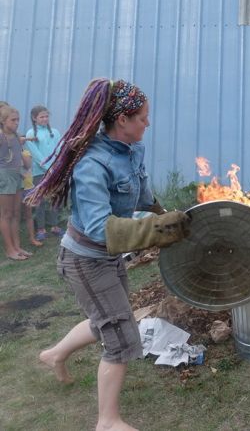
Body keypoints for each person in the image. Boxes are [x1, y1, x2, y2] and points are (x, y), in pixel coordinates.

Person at [27, 78, 190, 431]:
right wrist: (160, 230)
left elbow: (143, 197)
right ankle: (107, 421)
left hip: (107, 258)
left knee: (109, 318)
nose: (148, 123)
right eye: (143, 117)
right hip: (85, 260)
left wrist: (170, 218)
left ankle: (54, 354)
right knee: (121, 336)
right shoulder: (92, 165)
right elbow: (102, 229)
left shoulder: (133, 150)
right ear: (123, 121)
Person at [25, 105, 64, 240]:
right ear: (34, 118)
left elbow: (60, 148)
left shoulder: (55, 132)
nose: (44, 119)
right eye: (41, 116)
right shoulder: (31, 134)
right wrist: (48, 167)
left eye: (46, 116)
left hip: (55, 171)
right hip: (39, 172)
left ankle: (55, 225)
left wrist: (58, 165)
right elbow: (36, 155)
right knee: (40, 200)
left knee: (55, 198)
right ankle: (41, 228)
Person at [0, 105, 32, 260]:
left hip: (17, 176)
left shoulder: (17, 137)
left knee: (15, 213)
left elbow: (25, 162)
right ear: (3, 120)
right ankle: (9, 249)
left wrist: (26, 162)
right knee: (6, 214)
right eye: (13, 120)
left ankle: (17, 246)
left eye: (18, 120)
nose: (16, 123)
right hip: (4, 177)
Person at [21, 149, 43, 247]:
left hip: (28, 187)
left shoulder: (25, 152)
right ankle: (14, 243)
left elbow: (28, 165)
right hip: (15, 188)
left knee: (28, 214)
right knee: (12, 216)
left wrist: (19, 152)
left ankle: (32, 238)